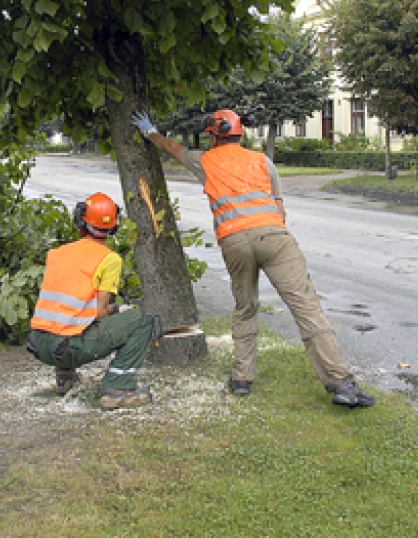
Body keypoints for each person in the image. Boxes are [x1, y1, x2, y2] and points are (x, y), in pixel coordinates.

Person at [131, 109, 375, 408]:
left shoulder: (205, 161)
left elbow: (171, 147)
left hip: (234, 241)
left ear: (214, 135)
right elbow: (280, 209)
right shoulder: (263, 162)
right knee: (306, 308)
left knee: (245, 307)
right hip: (274, 238)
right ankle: (341, 383)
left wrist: (150, 132)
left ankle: (243, 378)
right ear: (238, 133)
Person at [26, 192, 155, 410]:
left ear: (80, 220)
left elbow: (68, 306)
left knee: (68, 324)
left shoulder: (57, 253)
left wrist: (113, 309)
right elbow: (99, 313)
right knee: (142, 319)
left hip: (39, 343)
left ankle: (65, 378)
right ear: (114, 226)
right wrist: (119, 311)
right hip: (67, 347)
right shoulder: (109, 259)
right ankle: (118, 388)